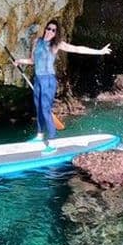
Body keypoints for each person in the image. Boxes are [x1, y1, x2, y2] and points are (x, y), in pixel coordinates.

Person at [13, 19, 112, 154]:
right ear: (45, 29)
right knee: (38, 108)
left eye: (53, 30)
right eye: (48, 28)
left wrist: (99, 52)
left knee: (46, 109)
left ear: (56, 33)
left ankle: (53, 143)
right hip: (37, 80)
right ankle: (39, 136)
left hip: (49, 81)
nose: (50, 32)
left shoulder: (57, 44)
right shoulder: (37, 42)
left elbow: (77, 49)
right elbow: (33, 61)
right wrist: (19, 61)